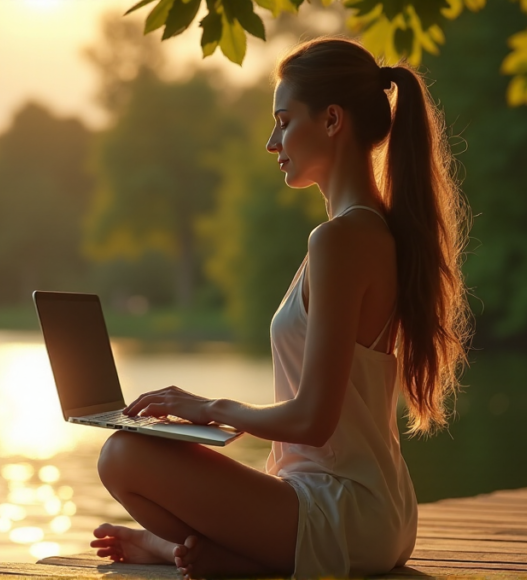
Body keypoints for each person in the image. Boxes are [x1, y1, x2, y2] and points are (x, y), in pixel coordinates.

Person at [88, 37, 471, 579]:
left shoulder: (341, 239)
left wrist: (208, 409)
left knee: (122, 456)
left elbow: (313, 420)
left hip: (342, 513)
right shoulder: (369, 231)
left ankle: (199, 552)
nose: (273, 141)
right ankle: (214, 555)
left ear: (333, 120)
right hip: (369, 509)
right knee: (130, 451)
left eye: (284, 121)